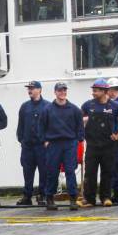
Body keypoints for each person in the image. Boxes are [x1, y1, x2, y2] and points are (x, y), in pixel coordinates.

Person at [80, 78, 118, 207]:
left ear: (104, 91)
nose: (93, 93)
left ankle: (106, 197)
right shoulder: (88, 105)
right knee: (90, 173)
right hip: (92, 146)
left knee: (107, 172)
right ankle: (89, 199)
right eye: (93, 90)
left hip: (109, 146)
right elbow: (77, 120)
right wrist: (81, 135)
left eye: (95, 91)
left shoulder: (115, 106)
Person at [41, 81, 84, 211]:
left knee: (70, 171)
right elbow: (41, 127)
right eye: (60, 90)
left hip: (70, 144)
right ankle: (49, 198)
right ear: (55, 92)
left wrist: (78, 140)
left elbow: (80, 127)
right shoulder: (47, 109)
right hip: (53, 144)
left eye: (64, 90)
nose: (62, 92)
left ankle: (73, 199)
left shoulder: (74, 109)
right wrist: (44, 141)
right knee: (52, 171)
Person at [16, 80, 48, 206]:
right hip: (28, 146)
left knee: (44, 171)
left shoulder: (47, 106)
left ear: (39, 90)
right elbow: (21, 125)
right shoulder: (24, 106)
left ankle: (43, 195)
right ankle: (27, 195)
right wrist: (21, 139)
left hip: (41, 146)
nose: (30, 90)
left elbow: (50, 126)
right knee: (27, 171)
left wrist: (47, 141)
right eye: (29, 88)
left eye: (33, 88)